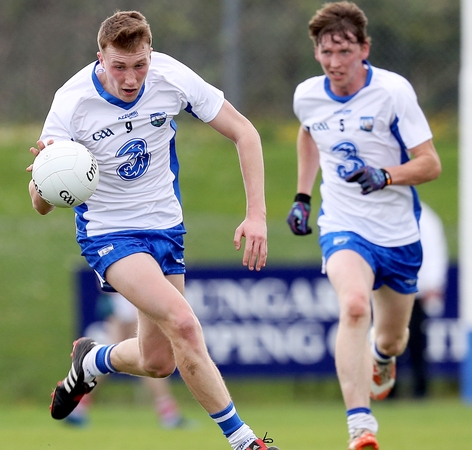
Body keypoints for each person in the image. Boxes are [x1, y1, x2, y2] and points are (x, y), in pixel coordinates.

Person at [27, 11, 277, 450]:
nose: (130, 78)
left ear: (150, 54)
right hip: (109, 234)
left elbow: (244, 132)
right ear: (100, 58)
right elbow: (39, 205)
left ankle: (93, 360)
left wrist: (256, 213)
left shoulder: (170, 76)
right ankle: (244, 442)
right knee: (184, 323)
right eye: (119, 66)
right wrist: (49, 174)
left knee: (158, 361)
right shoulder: (71, 102)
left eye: (139, 64)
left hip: (165, 229)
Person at [286, 3, 442, 449]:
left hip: (397, 234)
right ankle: (361, 426)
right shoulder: (307, 95)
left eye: (343, 50)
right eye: (325, 52)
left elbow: (430, 164)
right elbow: (309, 131)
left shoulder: (393, 92)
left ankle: (381, 356)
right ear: (316, 53)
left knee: (393, 339)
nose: (335, 62)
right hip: (343, 224)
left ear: (364, 49)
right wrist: (302, 195)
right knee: (354, 305)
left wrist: (385, 176)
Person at [65, 292, 195, 430]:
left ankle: (76, 406)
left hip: (127, 300)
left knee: (144, 358)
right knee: (129, 357)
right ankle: (76, 405)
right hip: (127, 301)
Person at [389, 202, 448, 399]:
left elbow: (434, 253)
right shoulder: (384, 211)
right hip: (389, 288)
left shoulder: (425, 218)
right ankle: (389, 389)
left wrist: (433, 285)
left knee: (415, 342)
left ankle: (420, 389)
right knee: (386, 340)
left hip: (416, 291)